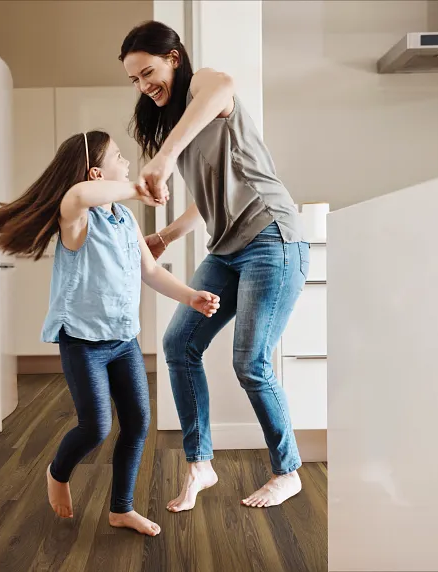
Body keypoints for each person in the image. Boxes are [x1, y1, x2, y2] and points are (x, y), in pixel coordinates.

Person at [0, 130, 220, 536]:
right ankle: (57, 472)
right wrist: (137, 188)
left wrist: (190, 297)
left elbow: (149, 271)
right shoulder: (77, 219)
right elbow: (79, 196)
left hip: (123, 340)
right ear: (97, 173)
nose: (129, 162)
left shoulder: (125, 219)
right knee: (96, 426)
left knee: (137, 421)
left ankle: (121, 509)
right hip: (82, 342)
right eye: (120, 157)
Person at [120, 21, 310, 512]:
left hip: (272, 236)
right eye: (135, 80)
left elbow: (224, 86)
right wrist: (164, 235)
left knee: (251, 362)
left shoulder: (205, 85)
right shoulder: (175, 120)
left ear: (174, 59)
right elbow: (209, 200)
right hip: (227, 247)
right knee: (178, 345)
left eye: (149, 72)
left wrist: (162, 159)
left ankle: (287, 471)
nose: (144, 86)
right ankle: (200, 464)